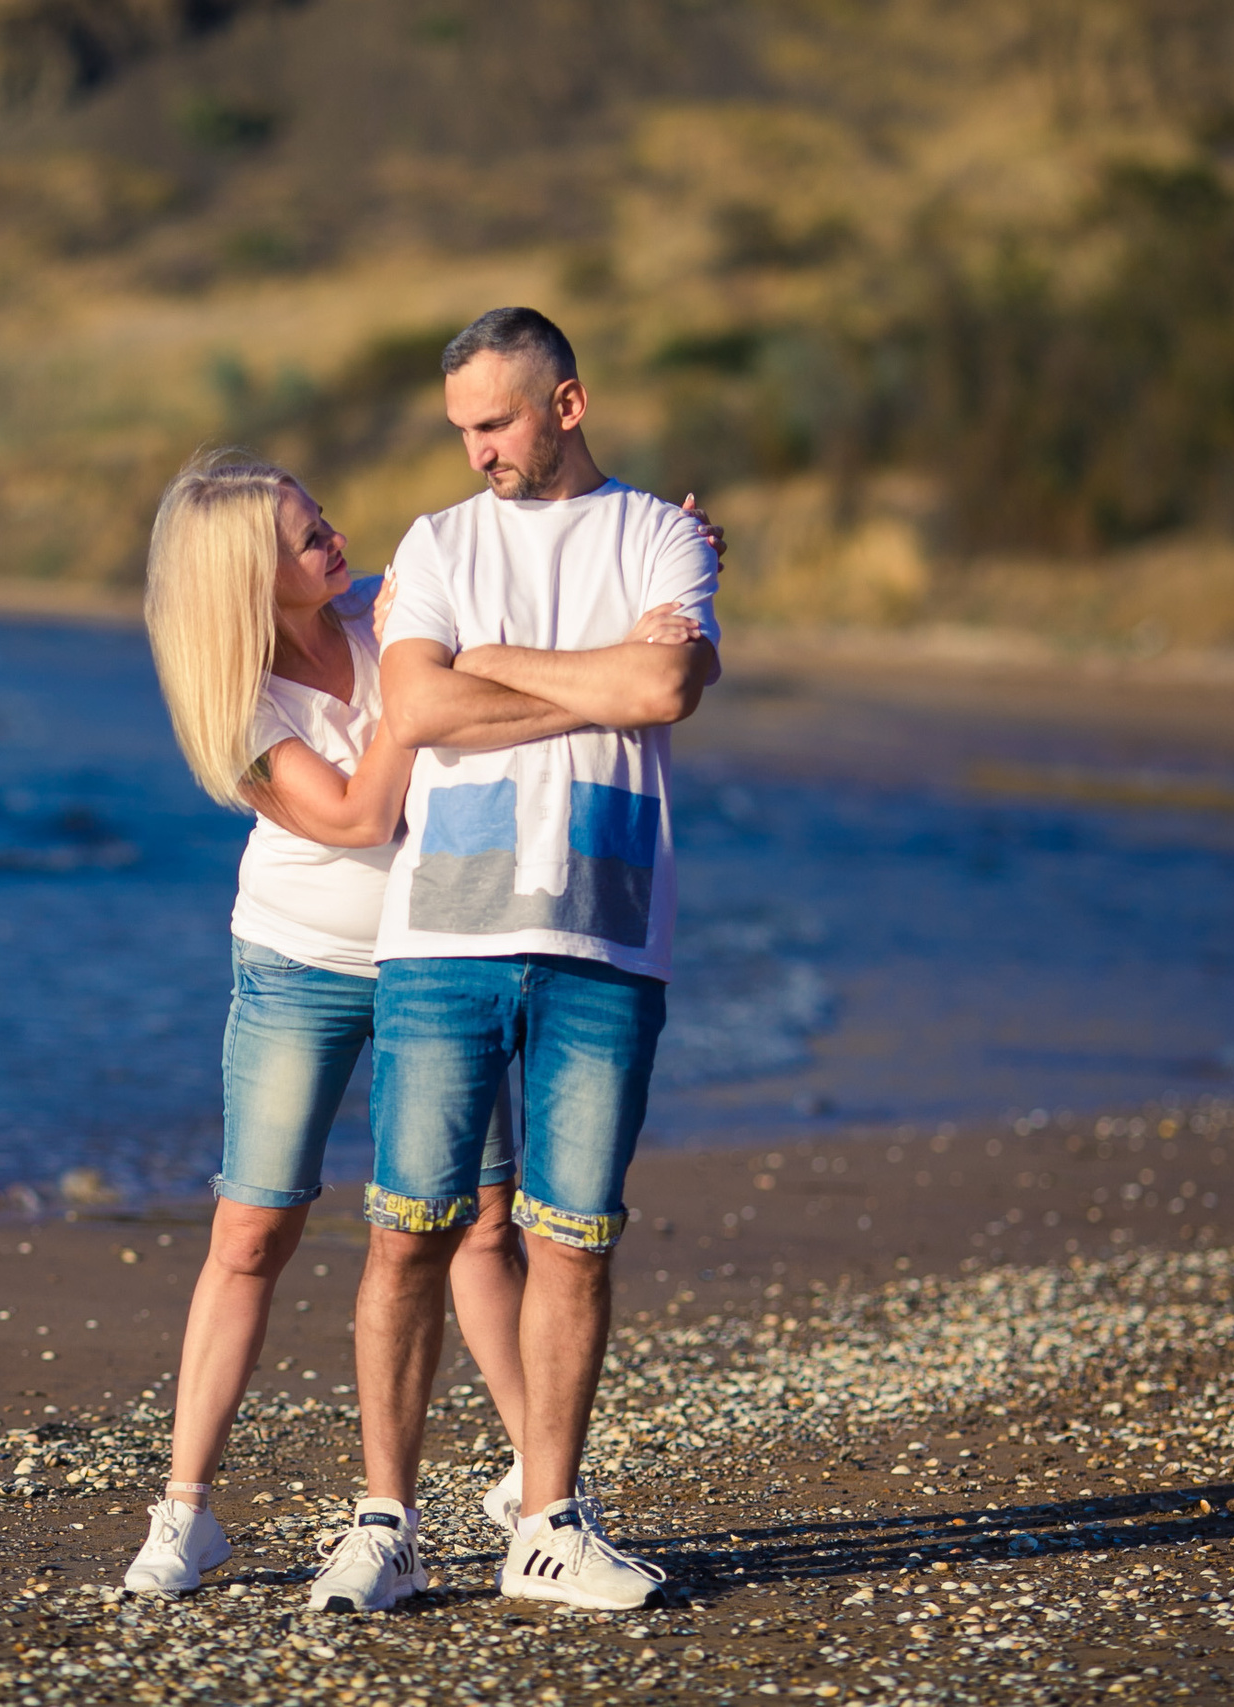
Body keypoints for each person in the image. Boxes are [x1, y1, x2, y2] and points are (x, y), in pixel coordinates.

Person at [306, 307, 720, 1615]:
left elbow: (664, 695)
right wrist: (594, 675)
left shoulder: (658, 529)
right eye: (461, 428)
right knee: (407, 1234)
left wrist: (494, 666)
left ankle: (549, 1524)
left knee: (575, 1238)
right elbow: (416, 704)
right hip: (445, 932)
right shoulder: (436, 541)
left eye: (495, 421)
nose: (477, 448)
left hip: (608, 926)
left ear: (568, 403)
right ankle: (386, 1521)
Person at [123, 451, 541, 1597]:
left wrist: (674, 543)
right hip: (299, 967)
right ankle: (186, 1513)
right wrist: (418, 693)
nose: (335, 540)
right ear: (248, 578)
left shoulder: (380, 612)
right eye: (307, 537)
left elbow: (527, 571)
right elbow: (357, 815)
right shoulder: (239, 698)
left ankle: (532, 1478)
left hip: (439, 957)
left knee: (482, 1225)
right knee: (251, 1235)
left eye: (322, 520)